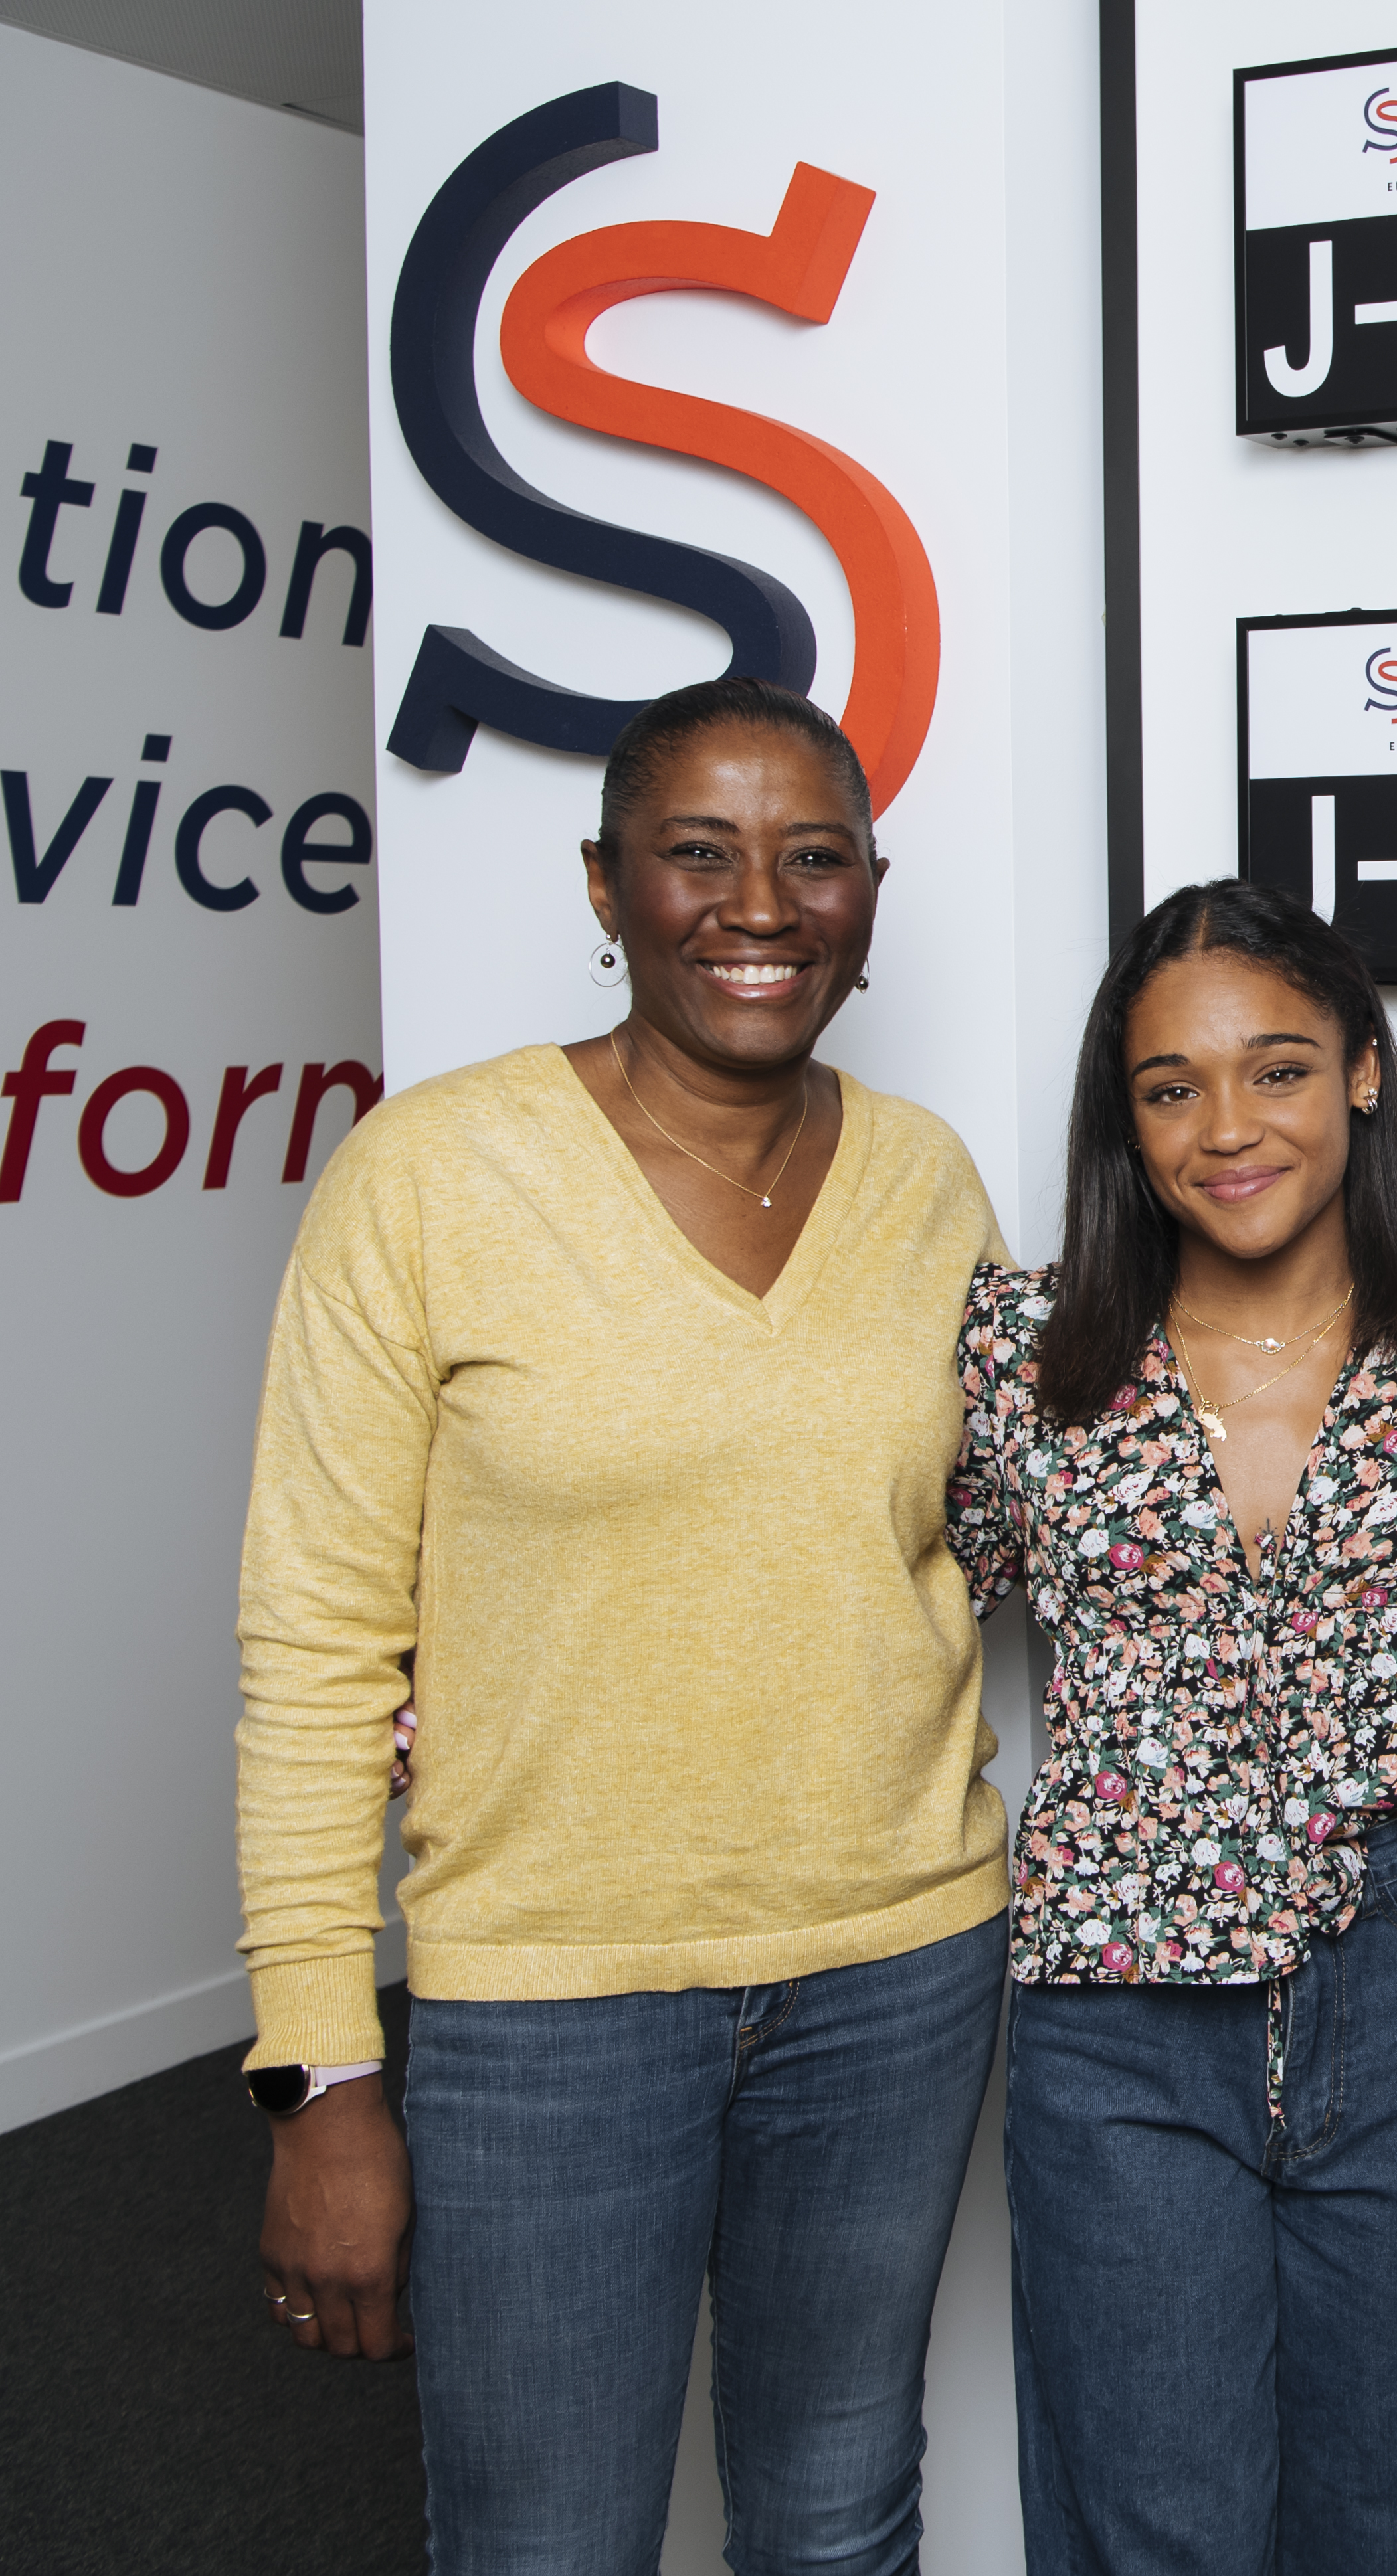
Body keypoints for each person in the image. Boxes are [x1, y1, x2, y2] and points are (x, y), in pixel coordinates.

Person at [236, 677, 1012, 2571]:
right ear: (607, 885)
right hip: (551, 2009)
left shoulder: (926, 1183)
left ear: (871, 894)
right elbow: (316, 1648)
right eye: (699, 853)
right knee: (546, 2544)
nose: (762, 903)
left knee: (838, 2520)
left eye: (813, 856)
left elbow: (999, 1521)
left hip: (894, 1972)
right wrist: (320, 2072)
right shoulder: (429, 1179)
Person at [947, 881, 1397, 2575]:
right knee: (1158, 2532)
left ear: (1362, 1072)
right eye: (1169, 1087)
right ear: (1121, 1123)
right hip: (1117, 2013)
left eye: (1276, 1069)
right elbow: (869, 1593)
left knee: (1380, 2517)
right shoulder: (1025, 1353)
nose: (1227, 1128)